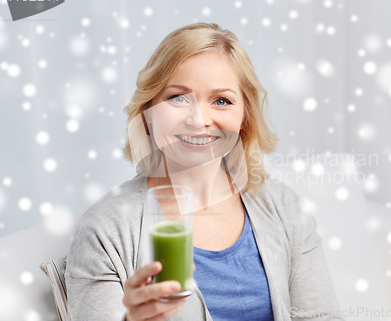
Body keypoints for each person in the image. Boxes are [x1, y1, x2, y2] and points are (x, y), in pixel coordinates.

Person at [65, 22, 345, 321]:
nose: (199, 120)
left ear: (244, 117)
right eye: (177, 98)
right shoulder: (106, 229)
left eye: (221, 101)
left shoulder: (284, 207)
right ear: (147, 113)